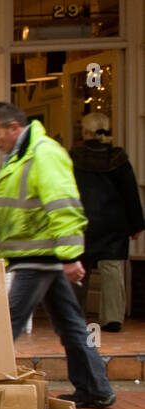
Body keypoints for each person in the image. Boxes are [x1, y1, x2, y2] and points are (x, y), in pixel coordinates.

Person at [0, 102, 115, 409]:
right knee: (71, 325)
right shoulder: (20, 158)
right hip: (40, 257)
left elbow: (63, 204)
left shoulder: (44, 154)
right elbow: (4, 207)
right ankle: (96, 389)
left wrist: (69, 256)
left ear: (14, 127)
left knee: (7, 322)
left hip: (37, 257)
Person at [70, 112, 145, 333]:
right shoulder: (118, 158)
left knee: (80, 269)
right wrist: (136, 224)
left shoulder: (74, 157)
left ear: (85, 132)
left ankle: (75, 316)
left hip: (82, 221)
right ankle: (112, 319)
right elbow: (130, 193)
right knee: (112, 269)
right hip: (114, 223)